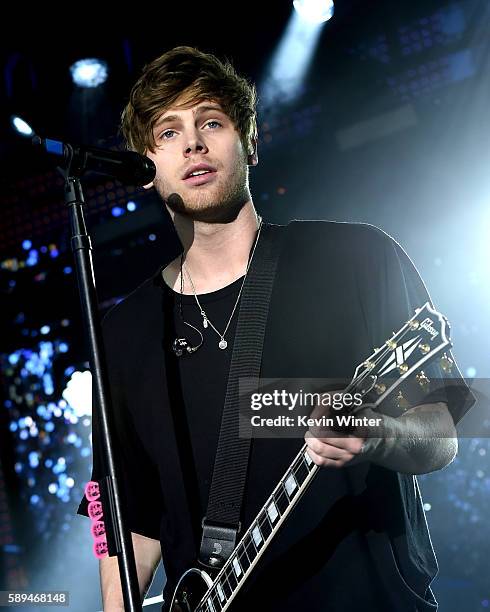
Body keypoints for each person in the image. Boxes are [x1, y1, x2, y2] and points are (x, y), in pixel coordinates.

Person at [77, 46, 473, 611]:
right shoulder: (122, 335)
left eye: (211, 121)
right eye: (168, 133)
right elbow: (129, 526)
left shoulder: (357, 257)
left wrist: (381, 434)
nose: (193, 143)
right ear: (147, 167)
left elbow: (445, 432)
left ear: (250, 142)